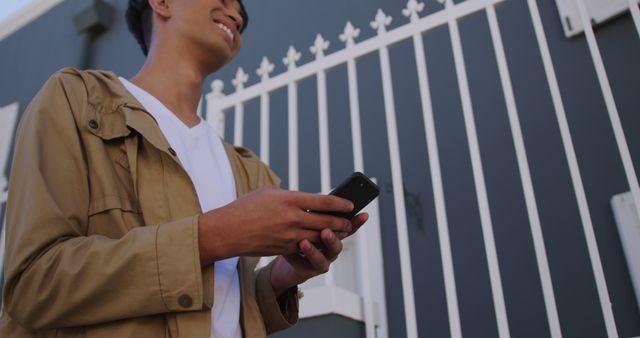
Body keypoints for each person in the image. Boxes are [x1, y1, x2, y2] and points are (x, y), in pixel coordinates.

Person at [0, 0, 369, 337]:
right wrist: (216, 235)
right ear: (160, 3)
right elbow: (34, 285)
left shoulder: (248, 171)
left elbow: (223, 310)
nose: (237, 13)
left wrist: (281, 278)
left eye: (242, 11)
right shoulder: (76, 101)